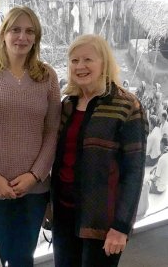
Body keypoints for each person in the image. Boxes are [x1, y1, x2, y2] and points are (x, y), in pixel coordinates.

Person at [0, 6, 61, 266]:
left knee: (23, 259)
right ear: (3, 34)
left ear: (36, 38)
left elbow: (52, 130)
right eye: (15, 30)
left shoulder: (47, 77)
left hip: (34, 190)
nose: (22, 37)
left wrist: (34, 176)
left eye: (29, 31)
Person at [51, 34, 148, 267]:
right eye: (74, 61)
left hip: (103, 222)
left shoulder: (127, 105)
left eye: (87, 59)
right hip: (65, 215)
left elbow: (134, 172)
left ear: (104, 62)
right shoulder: (68, 104)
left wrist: (121, 227)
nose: (80, 66)